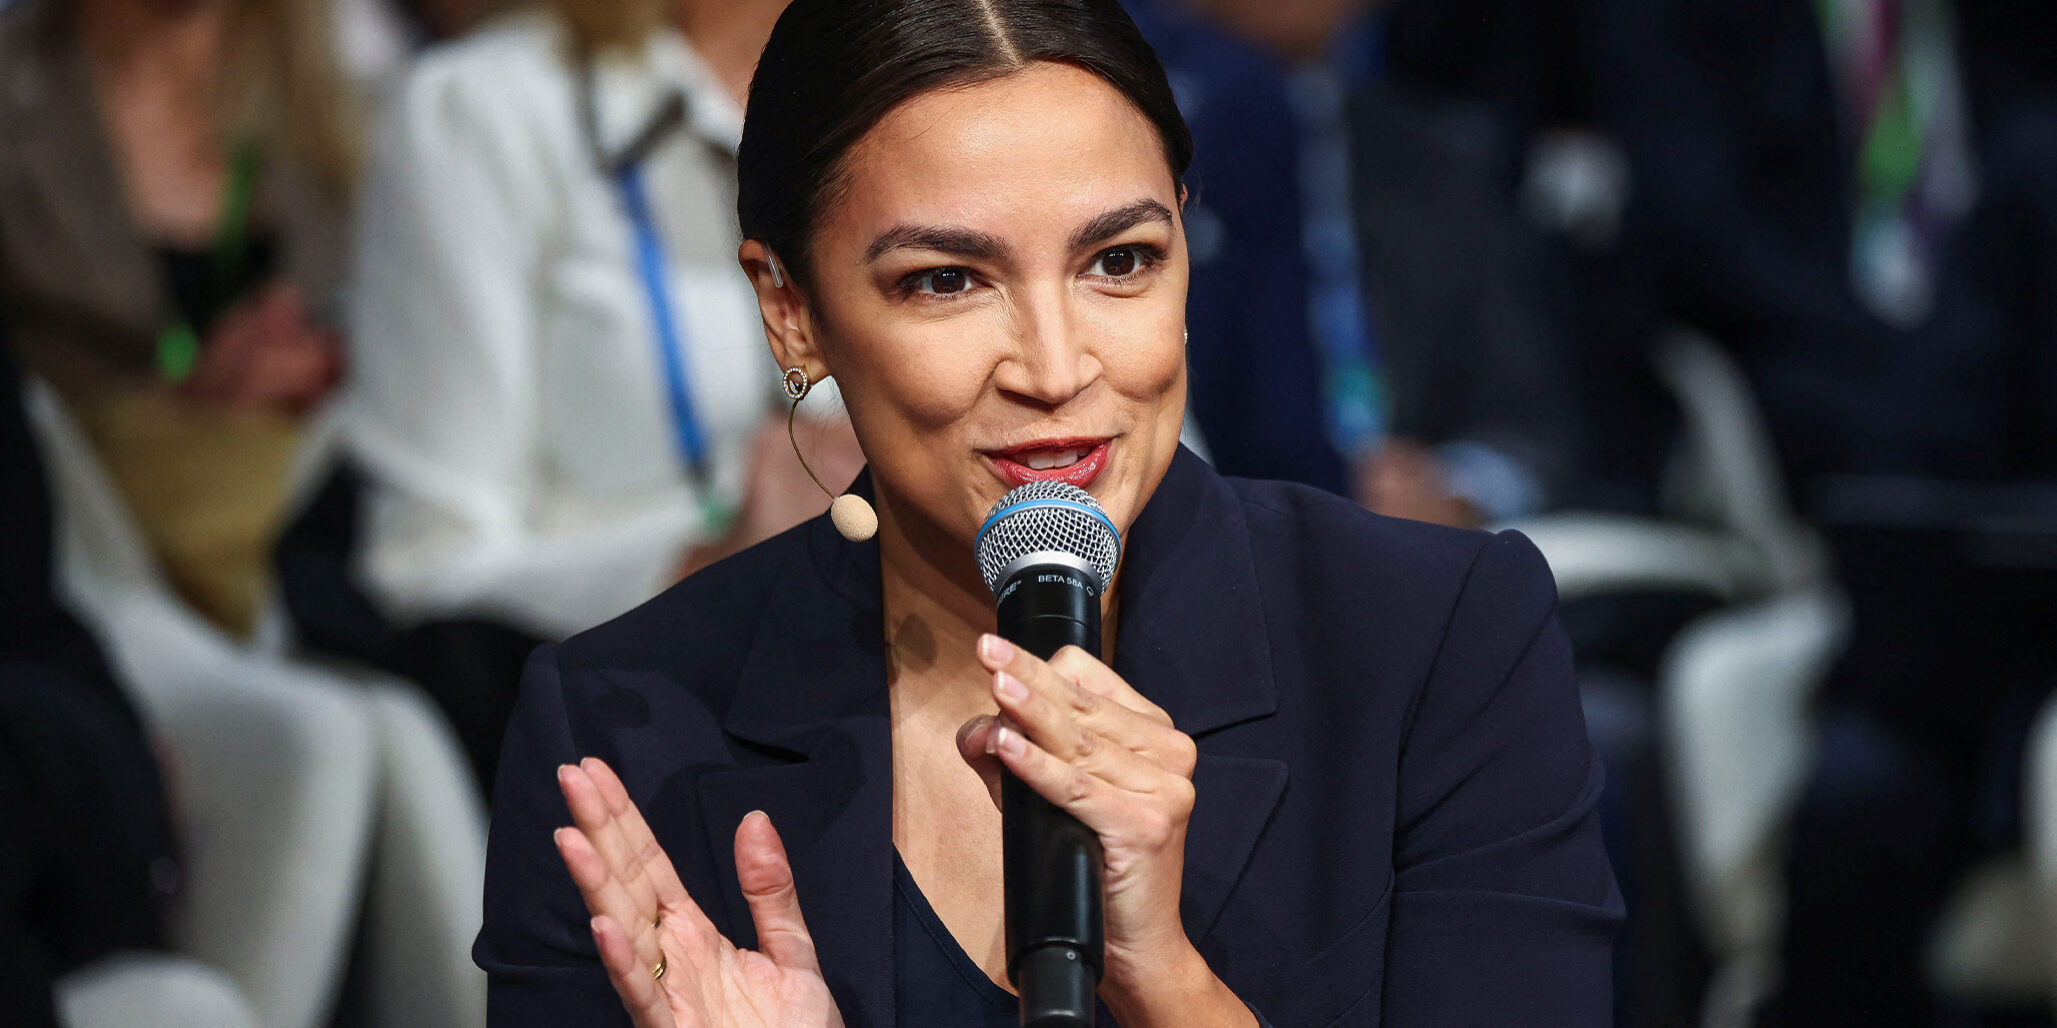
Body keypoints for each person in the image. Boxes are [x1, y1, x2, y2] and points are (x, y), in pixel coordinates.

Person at [473, 0, 1620, 1024]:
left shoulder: (1435, 637)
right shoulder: (620, 724)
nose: (1056, 367)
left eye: (1118, 261)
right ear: (792, 313)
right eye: (945, 279)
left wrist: (1164, 981)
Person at [298, 0, 856, 788]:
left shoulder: (921, 99)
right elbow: (425, 563)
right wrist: (711, 562)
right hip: (618, 733)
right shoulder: (488, 108)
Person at [1124, 0, 1577, 530]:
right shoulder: (1133, 146)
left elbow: (1535, 425)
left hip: (1407, 525)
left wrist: (1456, 488)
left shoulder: (1434, 161)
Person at [0, 0, 359, 637]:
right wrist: (172, 408)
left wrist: (327, 369)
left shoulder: (336, 101)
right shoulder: (18, 90)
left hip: (318, 566)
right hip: (80, 576)